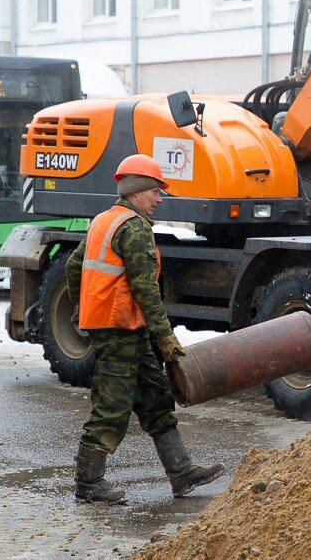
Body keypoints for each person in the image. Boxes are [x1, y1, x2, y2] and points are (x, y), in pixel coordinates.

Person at [65, 154, 224, 504]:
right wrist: (166, 337)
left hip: (123, 328)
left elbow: (75, 267)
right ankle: (88, 483)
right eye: (156, 191)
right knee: (112, 404)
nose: (160, 198)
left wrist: (82, 307)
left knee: (155, 400)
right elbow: (145, 290)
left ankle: (182, 474)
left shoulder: (104, 221)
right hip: (118, 329)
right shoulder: (133, 228)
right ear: (138, 191)